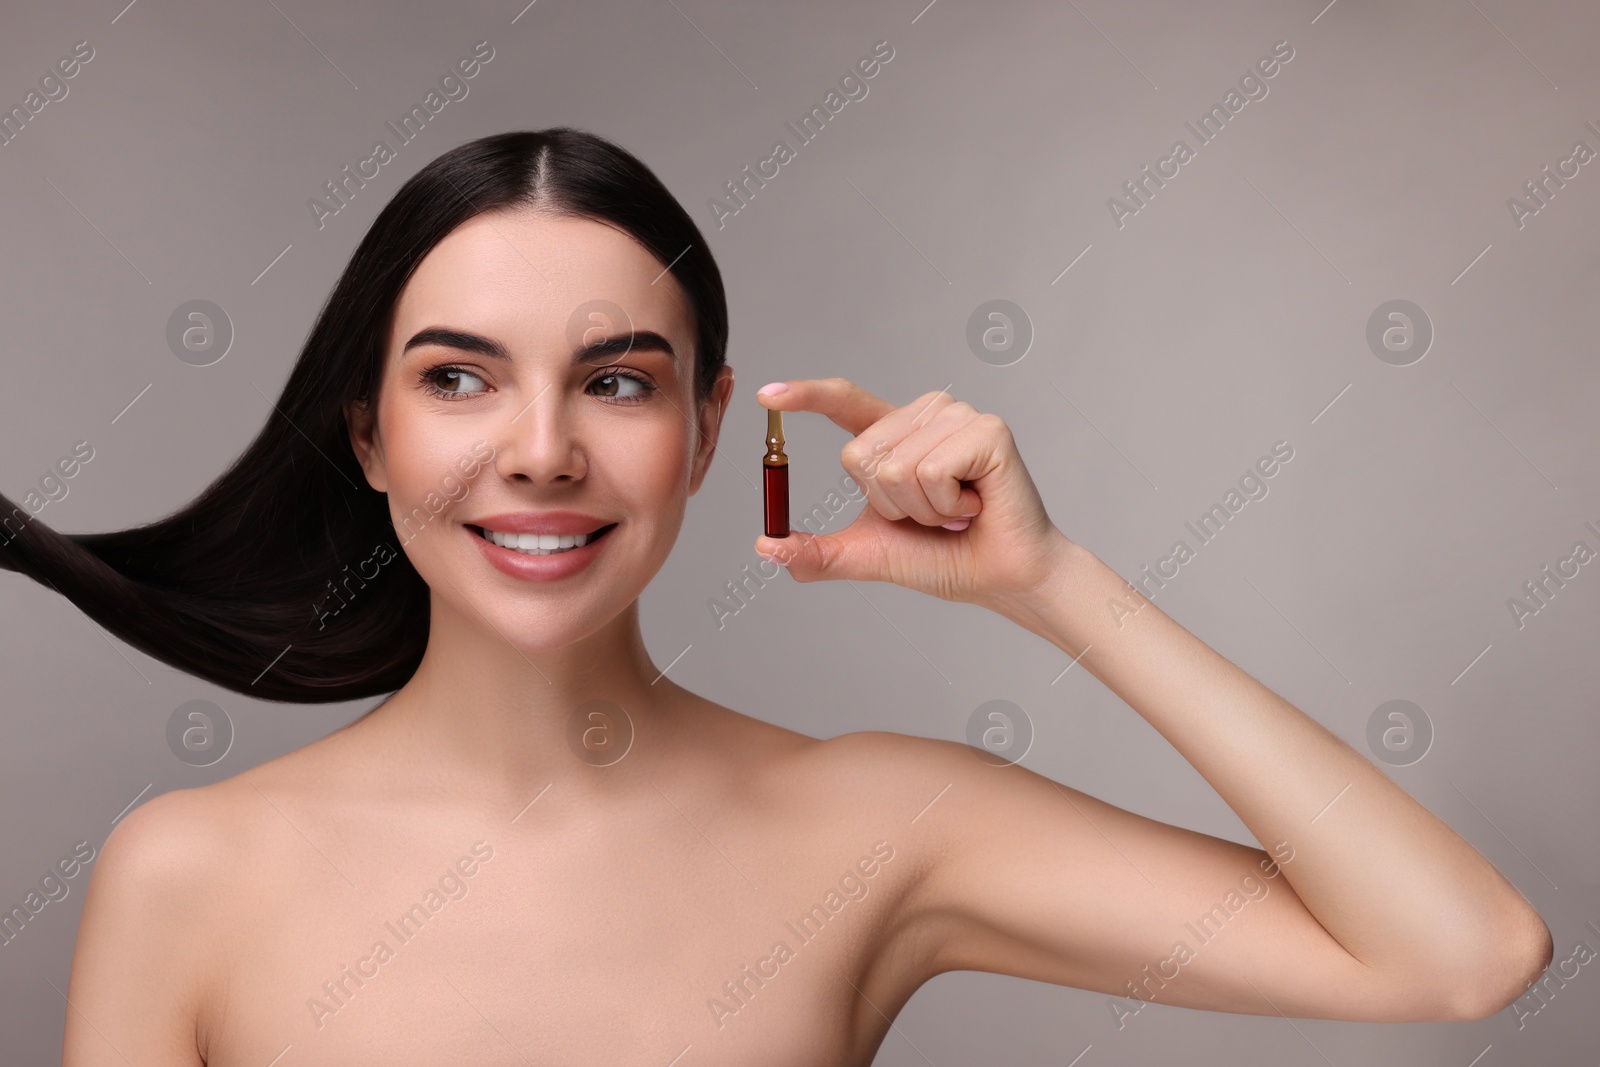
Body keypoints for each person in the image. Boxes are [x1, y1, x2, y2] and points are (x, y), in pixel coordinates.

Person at [12, 129, 1545, 1066]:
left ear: (701, 432)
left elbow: (1459, 954)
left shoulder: (875, 828)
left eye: (616, 381)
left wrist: (1053, 585)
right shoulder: (191, 872)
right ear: (368, 434)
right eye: (460, 378)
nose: (541, 452)